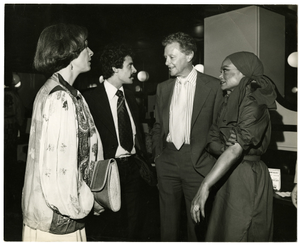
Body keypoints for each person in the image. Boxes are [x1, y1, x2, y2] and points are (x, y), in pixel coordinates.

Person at [21, 23, 104, 242]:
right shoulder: (60, 97)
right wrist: (84, 202)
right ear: (69, 51)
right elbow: (59, 169)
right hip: (58, 215)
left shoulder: (63, 92)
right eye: (86, 46)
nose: (91, 52)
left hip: (60, 209)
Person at [191, 51, 276, 242]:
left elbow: (236, 148)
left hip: (246, 177)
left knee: (240, 231)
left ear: (244, 74)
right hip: (226, 172)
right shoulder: (229, 101)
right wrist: (225, 149)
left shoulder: (255, 104)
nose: (220, 76)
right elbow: (211, 140)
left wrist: (205, 185)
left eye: (225, 71)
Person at [151, 32, 223, 241]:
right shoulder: (163, 88)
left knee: (197, 225)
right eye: (165, 57)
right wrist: (158, 157)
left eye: (171, 57)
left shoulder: (214, 86)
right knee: (168, 226)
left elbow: (218, 127)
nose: (166, 62)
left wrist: (209, 159)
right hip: (168, 160)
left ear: (189, 55)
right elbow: (158, 126)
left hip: (198, 163)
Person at [83, 43, 153, 241]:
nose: (135, 70)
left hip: (133, 167)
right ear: (115, 68)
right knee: (112, 225)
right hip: (107, 169)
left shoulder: (130, 97)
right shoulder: (90, 99)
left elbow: (136, 132)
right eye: (130, 65)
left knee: (135, 222)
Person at [4, 70, 25, 210]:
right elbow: (21, 116)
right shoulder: (13, 96)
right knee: (9, 163)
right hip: (9, 132)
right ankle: (9, 194)